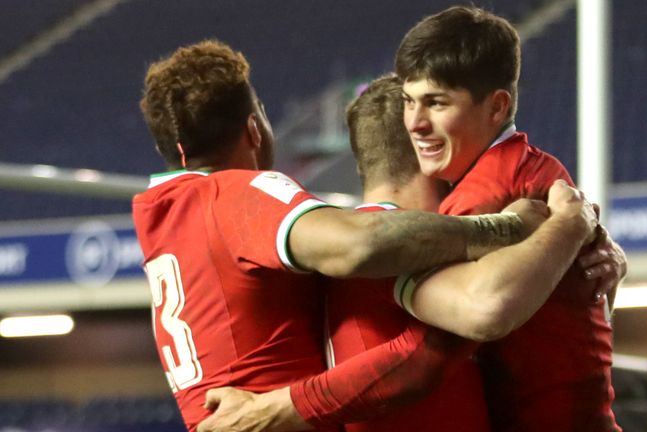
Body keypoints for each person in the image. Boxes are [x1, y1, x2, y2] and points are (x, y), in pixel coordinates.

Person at [134, 39, 543, 431]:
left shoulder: (165, 216)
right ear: (255, 128)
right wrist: (505, 229)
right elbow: (362, 245)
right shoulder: (234, 193)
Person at [197, 75, 610, 431]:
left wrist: (597, 267)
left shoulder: (335, 262)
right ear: (423, 145)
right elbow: (432, 352)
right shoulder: (407, 256)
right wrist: (562, 228)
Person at [394, 6, 626, 431]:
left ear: (497, 107)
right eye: (408, 101)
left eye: (436, 102)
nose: (415, 123)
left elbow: (423, 351)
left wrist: (294, 403)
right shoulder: (537, 166)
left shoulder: (486, 194)